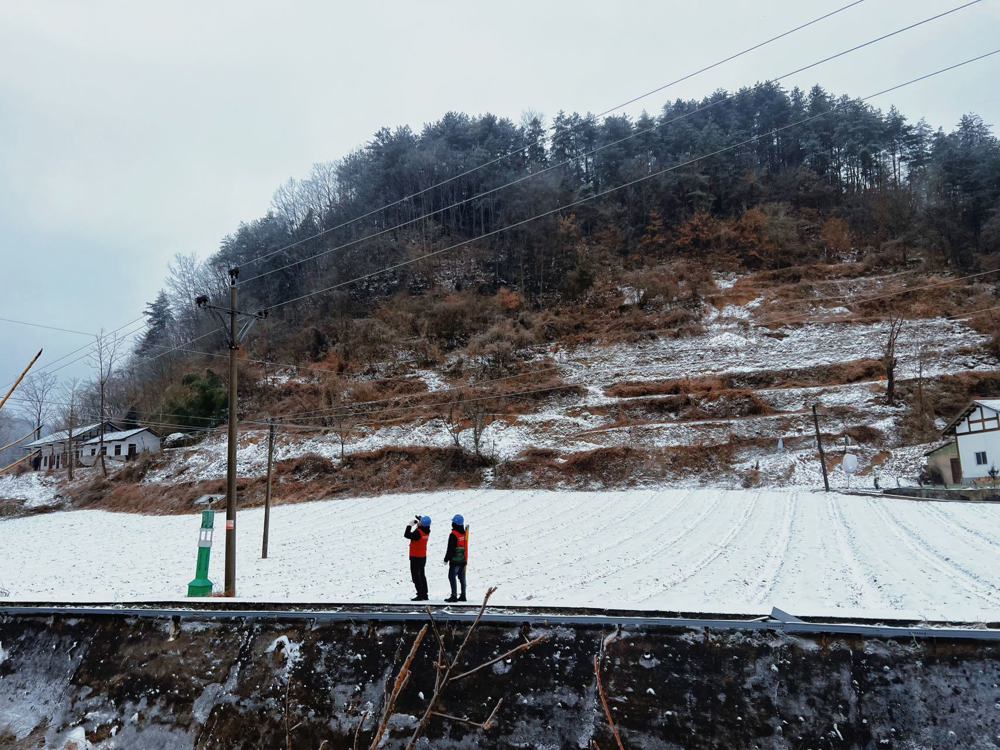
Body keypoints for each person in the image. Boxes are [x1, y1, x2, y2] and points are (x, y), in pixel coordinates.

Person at [404, 515, 431, 601]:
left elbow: (407, 535)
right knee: (422, 575)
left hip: (415, 556)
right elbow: (425, 525)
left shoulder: (418, 533)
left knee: (416, 576)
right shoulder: (427, 530)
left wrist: (409, 525)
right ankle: (425, 594)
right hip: (422, 556)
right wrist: (420, 520)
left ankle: (419, 595)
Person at [443, 514, 468, 603]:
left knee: (451, 577)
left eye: (453, 522)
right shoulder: (465, 533)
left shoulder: (453, 534)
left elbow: (450, 549)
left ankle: (454, 596)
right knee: (462, 577)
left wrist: (446, 559)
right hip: (463, 559)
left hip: (455, 560)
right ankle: (463, 595)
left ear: (455, 523)